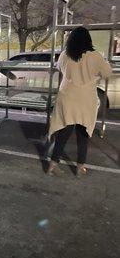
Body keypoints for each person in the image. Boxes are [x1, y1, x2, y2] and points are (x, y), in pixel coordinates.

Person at [48, 27, 112, 177]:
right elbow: (107, 72)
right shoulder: (95, 56)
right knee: (83, 133)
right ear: (88, 40)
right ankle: (80, 168)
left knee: (64, 132)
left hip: (67, 96)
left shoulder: (64, 55)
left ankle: (52, 164)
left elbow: (59, 67)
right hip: (85, 98)